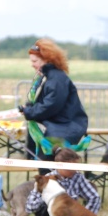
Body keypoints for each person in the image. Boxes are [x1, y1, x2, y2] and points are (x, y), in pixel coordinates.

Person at [19, 38, 89, 168]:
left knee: (50, 173)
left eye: (35, 61)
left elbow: (50, 106)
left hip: (61, 132)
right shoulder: (48, 77)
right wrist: (30, 107)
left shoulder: (56, 79)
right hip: (57, 129)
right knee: (48, 172)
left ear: (47, 59)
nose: (32, 65)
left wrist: (29, 111)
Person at [25, 146, 102, 216]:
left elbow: (94, 197)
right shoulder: (46, 179)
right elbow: (29, 206)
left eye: (76, 166)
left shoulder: (78, 177)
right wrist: (46, 200)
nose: (74, 170)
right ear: (59, 165)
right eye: (70, 167)